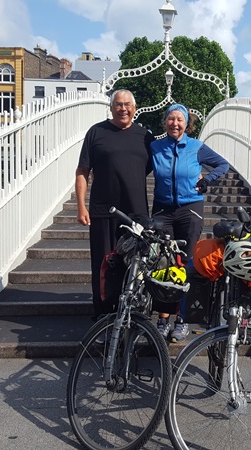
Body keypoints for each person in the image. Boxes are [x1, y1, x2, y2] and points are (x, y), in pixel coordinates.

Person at [149, 103, 229, 342]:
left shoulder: (197, 147)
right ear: (165, 122)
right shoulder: (155, 147)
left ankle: (181, 319)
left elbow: (223, 165)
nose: (175, 123)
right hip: (163, 209)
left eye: (180, 120)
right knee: (163, 264)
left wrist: (207, 181)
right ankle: (163, 319)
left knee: (184, 263)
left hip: (189, 209)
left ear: (187, 124)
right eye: (171, 119)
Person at [76, 89, 154, 320]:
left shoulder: (145, 136)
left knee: (135, 266)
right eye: (118, 104)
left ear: (135, 108)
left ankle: (133, 315)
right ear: (111, 108)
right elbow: (82, 171)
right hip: (102, 211)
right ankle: (103, 315)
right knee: (103, 265)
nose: (123, 109)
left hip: (136, 214)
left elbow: (158, 165)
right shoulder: (96, 132)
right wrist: (81, 206)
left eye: (127, 104)